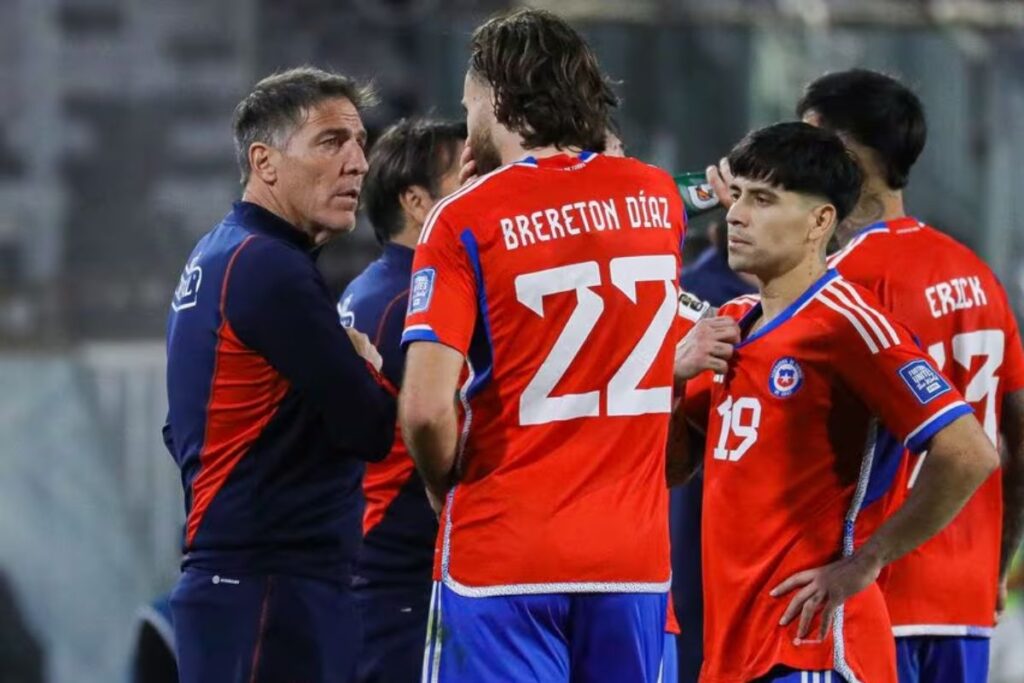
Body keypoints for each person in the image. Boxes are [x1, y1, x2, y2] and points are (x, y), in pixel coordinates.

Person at [398, 9, 727, 682]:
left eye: (469, 109)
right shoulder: (655, 200)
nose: (467, 127)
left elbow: (427, 409)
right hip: (632, 560)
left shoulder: (461, 217)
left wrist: (442, 491)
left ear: (495, 95)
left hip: (505, 554)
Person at [707, 68, 1024, 683]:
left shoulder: (853, 287)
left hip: (871, 587)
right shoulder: (975, 272)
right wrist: (998, 558)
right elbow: (1017, 432)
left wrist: (871, 557)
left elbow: (969, 448)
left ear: (840, 154)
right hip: (964, 590)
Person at [163, 66, 397, 683]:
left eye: (360, 143)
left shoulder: (220, 252)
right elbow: (370, 426)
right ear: (264, 162)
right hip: (274, 589)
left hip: (241, 584)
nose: (357, 163)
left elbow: (178, 428)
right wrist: (364, 363)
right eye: (330, 142)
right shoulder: (270, 268)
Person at [337, 117, 466, 683]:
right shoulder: (414, 304)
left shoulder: (371, 291)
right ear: (417, 201)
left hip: (372, 569)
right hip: (402, 574)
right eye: (469, 173)